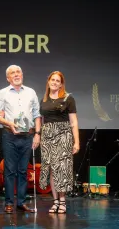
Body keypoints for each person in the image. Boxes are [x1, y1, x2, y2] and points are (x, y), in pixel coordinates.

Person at [0, 65, 41, 214]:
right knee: (9, 171)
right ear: (8, 78)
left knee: (23, 170)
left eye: (18, 72)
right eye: (12, 73)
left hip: (27, 136)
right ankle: (8, 202)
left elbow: (37, 115)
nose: (16, 74)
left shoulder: (31, 92)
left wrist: (38, 134)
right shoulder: (3, 93)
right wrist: (9, 123)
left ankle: (21, 202)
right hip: (10, 135)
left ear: (22, 74)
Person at [38, 71, 79, 214]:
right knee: (51, 169)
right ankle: (55, 201)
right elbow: (41, 120)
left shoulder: (68, 98)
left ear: (61, 84)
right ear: (48, 81)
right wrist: (39, 136)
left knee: (62, 169)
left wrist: (76, 142)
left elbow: (73, 122)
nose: (55, 82)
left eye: (57, 80)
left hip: (63, 135)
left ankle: (62, 202)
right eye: (52, 80)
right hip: (47, 135)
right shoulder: (43, 100)